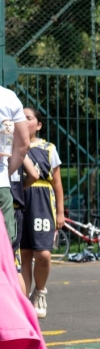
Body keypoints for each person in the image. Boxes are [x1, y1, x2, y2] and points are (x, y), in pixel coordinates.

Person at [17, 108, 64, 318]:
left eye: (29, 118)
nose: (25, 121)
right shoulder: (13, 146)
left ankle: (40, 291)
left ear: (38, 125)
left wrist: (60, 212)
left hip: (42, 200)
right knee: (24, 254)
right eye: (21, 118)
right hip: (20, 198)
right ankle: (24, 302)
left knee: (43, 254)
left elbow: (58, 183)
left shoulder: (48, 148)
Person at [0, 86, 30, 250]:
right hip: (1, 181)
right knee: (4, 248)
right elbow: (23, 145)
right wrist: (6, 172)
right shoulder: (8, 97)